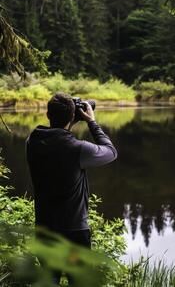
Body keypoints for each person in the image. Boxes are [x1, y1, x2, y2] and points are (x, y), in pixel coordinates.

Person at [26, 92, 117, 284]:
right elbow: (111, 152)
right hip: (74, 233)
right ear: (73, 116)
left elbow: (56, 138)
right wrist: (91, 122)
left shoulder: (32, 142)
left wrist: (68, 122)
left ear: (48, 115)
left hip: (45, 230)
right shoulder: (78, 149)